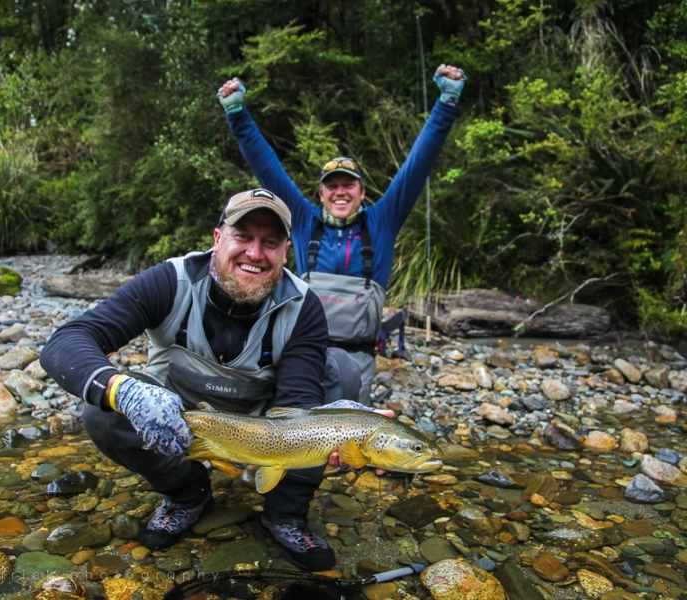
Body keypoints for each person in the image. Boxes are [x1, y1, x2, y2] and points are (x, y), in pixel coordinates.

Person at [40, 188, 348, 571]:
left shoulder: (303, 306)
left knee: (338, 378)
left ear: (286, 251)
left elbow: (300, 401)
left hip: (264, 430)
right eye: (243, 236)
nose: (255, 253)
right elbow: (67, 342)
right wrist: (126, 391)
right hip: (175, 422)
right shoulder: (170, 281)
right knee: (101, 410)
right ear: (217, 238)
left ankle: (285, 515)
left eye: (270, 242)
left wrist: (335, 435)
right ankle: (188, 494)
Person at [217, 65, 466, 404]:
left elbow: (418, 164)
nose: (340, 192)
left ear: (362, 192)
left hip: (359, 360)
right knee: (293, 437)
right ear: (321, 194)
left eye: (348, 185)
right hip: (299, 351)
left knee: (347, 450)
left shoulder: (382, 222)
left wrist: (447, 102)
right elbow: (267, 167)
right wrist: (236, 112)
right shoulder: (304, 221)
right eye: (331, 186)